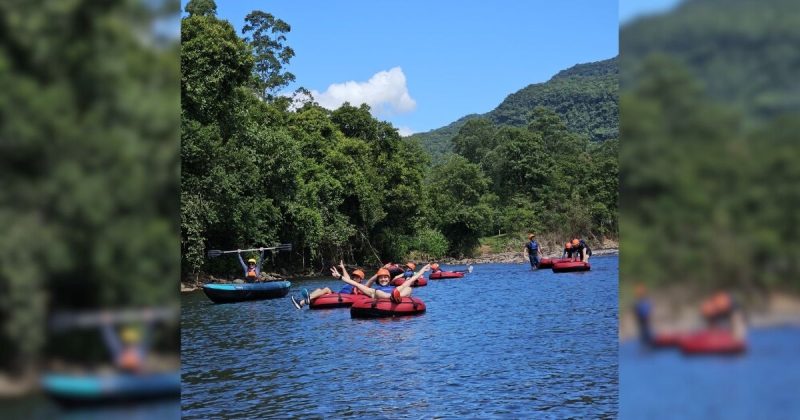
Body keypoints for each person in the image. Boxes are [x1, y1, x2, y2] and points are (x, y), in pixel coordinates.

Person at [290, 264, 368, 309]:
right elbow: (347, 277)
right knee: (319, 289)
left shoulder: (359, 286)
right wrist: (343, 267)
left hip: (343, 296)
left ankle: (302, 302)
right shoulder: (350, 282)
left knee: (327, 289)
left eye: (357, 277)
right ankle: (308, 299)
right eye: (353, 276)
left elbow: (359, 293)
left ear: (360, 279)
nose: (354, 278)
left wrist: (356, 289)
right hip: (338, 294)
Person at [343, 263, 431, 302]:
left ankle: (397, 297)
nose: (383, 279)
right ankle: (393, 297)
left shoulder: (395, 288)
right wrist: (340, 277)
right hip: (385, 295)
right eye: (381, 278)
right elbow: (355, 283)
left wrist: (423, 270)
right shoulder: (374, 290)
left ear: (389, 279)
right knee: (377, 292)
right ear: (378, 280)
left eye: (385, 277)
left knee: (408, 288)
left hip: (397, 294)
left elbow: (412, 279)